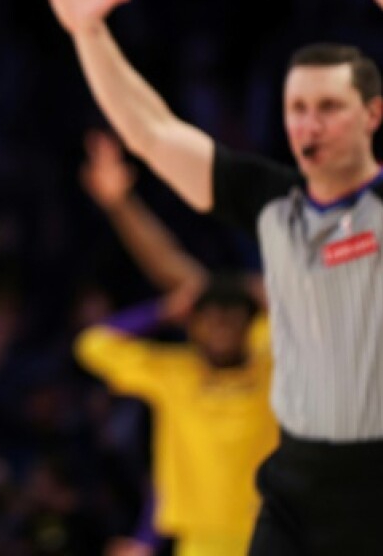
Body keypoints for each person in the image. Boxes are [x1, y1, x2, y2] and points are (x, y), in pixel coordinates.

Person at [42, 0, 383, 554]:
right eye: (296, 108)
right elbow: (151, 131)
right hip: (296, 486)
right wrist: (89, 34)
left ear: (372, 114)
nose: (310, 124)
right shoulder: (271, 201)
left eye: (329, 107)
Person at [77, 130, 276, 556]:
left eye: (231, 316)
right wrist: (163, 309)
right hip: (198, 545)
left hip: (274, 538)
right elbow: (93, 344)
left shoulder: (273, 358)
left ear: (250, 323)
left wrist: (241, 290)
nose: (220, 326)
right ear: (191, 325)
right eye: (209, 317)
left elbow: (289, 300)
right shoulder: (173, 373)